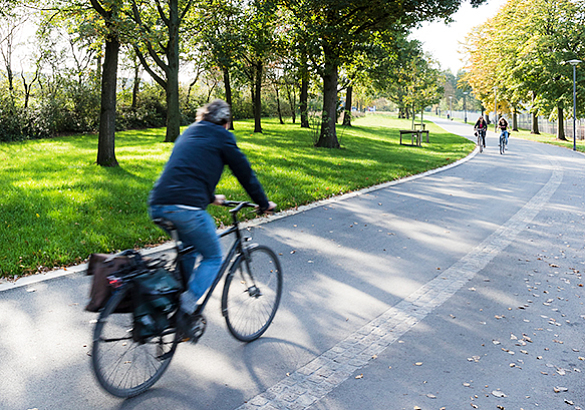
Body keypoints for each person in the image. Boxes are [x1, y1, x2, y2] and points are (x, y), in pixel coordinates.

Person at [148, 99, 276, 339]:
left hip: (158, 204)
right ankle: (184, 311)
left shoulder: (190, 131)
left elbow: (185, 171)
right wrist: (263, 202)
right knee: (214, 256)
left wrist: (209, 196)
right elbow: (244, 173)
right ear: (225, 122)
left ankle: (172, 302)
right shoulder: (222, 135)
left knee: (189, 248)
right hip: (186, 209)